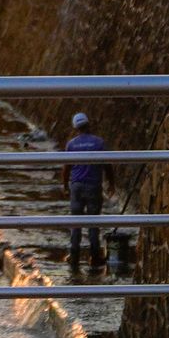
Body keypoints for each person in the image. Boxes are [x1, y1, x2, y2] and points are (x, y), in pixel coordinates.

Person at [59, 110, 111, 281]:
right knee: (93, 223)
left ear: (75, 128)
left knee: (76, 222)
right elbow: (107, 165)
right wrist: (112, 183)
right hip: (93, 187)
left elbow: (66, 168)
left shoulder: (72, 145)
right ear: (89, 125)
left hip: (77, 187)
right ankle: (95, 257)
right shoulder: (99, 143)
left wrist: (65, 185)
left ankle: (74, 256)